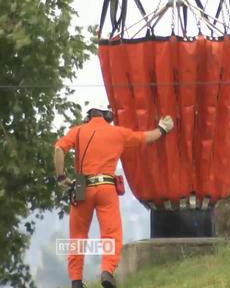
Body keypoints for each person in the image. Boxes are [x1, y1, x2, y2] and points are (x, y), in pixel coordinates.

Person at [54, 107, 174, 288]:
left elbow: (59, 148)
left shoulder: (77, 131)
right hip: (106, 185)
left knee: (78, 236)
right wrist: (163, 128)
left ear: (89, 118)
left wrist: (61, 176)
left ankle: (76, 281)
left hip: (81, 184)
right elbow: (144, 137)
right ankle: (107, 271)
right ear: (106, 118)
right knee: (111, 233)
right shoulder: (117, 133)